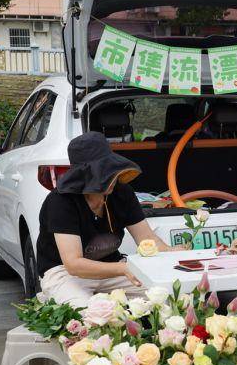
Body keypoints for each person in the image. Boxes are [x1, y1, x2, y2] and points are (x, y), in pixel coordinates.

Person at [37, 131, 178, 307]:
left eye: (111, 170)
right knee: (88, 313)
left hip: (113, 269)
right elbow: (73, 264)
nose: (111, 178)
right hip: (65, 273)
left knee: (169, 297)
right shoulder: (60, 201)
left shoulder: (122, 192)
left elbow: (149, 240)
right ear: (84, 175)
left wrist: (178, 254)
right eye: (102, 173)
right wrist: (124, 268)